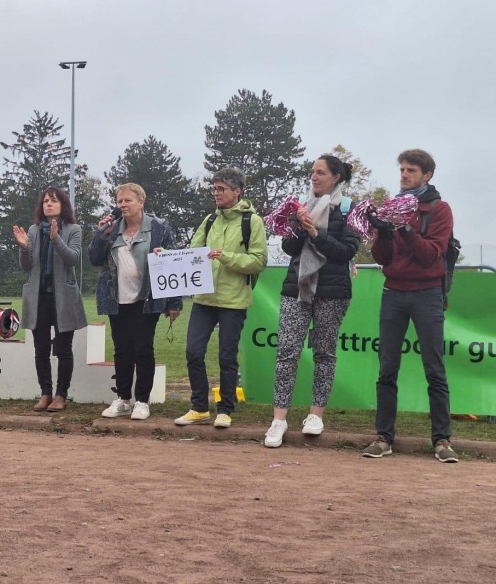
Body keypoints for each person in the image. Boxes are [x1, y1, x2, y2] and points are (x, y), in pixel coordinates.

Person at [363, 149, 458, 463]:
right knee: (387, 369)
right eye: (402, 169)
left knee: (435, 369)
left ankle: (442, 441)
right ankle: (383, 438)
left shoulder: (439, 209)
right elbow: (383, 260)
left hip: (427, 293)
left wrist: (404, 228)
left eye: (411, 170)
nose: (404, 175)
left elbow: (431, 255)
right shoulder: (391, 207)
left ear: (427, 175)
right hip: (393, 291)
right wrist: (380, 233)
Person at [263, 155, 360, 447]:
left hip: (332, 291)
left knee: (324, 353)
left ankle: (316, 415)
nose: (314, 177)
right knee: (286, 353)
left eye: (320, 172)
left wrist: (316, 233)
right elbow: (289, 246)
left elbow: (347, 250)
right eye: (312, 172)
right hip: (297, 288)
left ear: (336, 177)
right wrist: (300, 226)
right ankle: (278, 419)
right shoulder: (301, 205)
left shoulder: (349, 208)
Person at [174, 168, 267, 430]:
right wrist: (167, 257)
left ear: (237, 191)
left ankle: (225, 409)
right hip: (204, 298)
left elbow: (259, 261)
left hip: (233, 301)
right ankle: (199, 408)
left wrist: (226, 257)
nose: (216, 193)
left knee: (227, 356)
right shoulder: (209, 220)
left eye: (221, 189)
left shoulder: (253, 222)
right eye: (214, 189)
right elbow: (193, 252)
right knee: (193, 352)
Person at [89, 183, 181, 420]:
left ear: (141, 202)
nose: (123, 205)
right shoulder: (111, 229)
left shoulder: (159, 228)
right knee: (122, 350)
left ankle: (142, 400)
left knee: (142, 347)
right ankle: (123, 400)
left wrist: (174, 303)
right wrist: (101, 235)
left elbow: (173, 265)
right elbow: (94, 258)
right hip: (116, 298)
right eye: (120, 201)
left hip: (146, 298)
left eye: (128, 200)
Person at [13, 187, 88, 412]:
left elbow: (72, 259)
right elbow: (26, 266)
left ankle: (61, 395)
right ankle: (45, 393)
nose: (48, 204)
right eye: (45, 201)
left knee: (64, 349)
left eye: (53, 201)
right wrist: (24, 247)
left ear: (63, 205)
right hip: (39, 298)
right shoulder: (34, 231)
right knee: (41, 349)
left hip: (63, 298)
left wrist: (56, 240)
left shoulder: (74, 229)